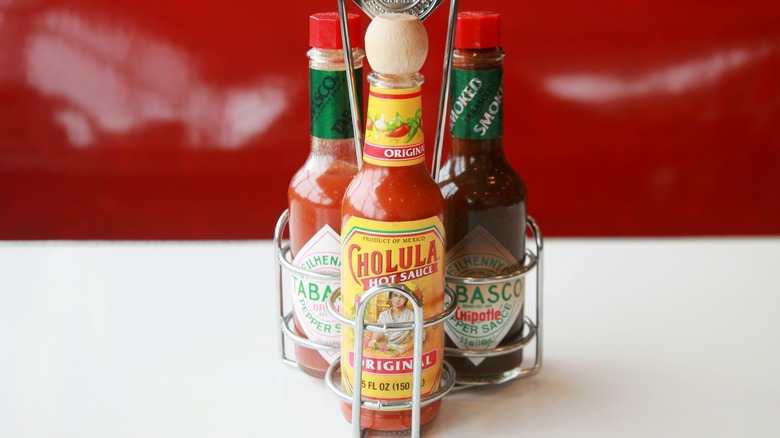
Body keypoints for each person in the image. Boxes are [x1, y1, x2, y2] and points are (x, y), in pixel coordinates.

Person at [368, 291, 422, 356]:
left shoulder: (412, 316)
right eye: (395, 295)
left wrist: (403, 350)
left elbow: (419, 337)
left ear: (405, 299)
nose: (398, 299)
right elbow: (378, 331)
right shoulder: (383, 315)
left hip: (406, 352)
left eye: (402, 296)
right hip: (387, 349)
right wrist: (373, 339)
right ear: (391, 298)